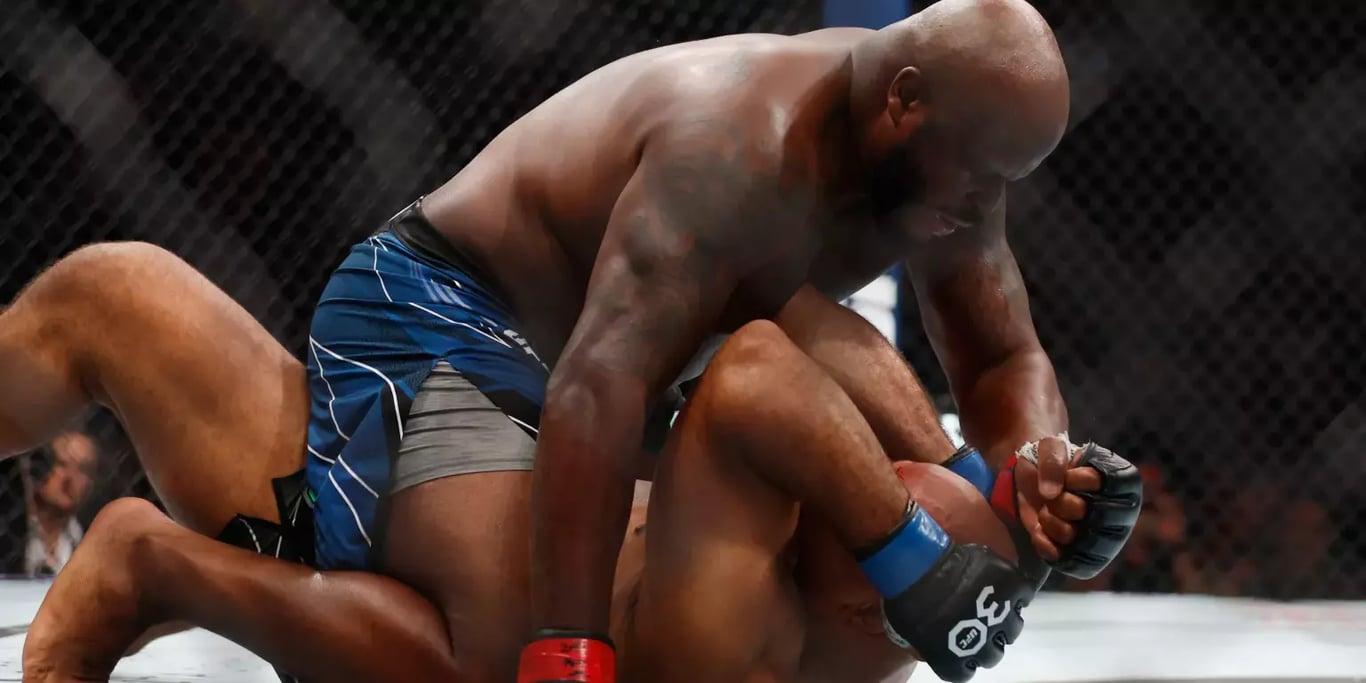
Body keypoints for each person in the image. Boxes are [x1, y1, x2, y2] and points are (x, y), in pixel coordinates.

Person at [7, 0, 1143, 679]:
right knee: (502, 654)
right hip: (459, 315)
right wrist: (569, 651)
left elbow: (1000, 360)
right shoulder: (739, 151)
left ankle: (943, 502)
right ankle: (156, 566)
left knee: (819, 330)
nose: (989, 204)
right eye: (982, 174)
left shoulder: (949, 165)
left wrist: (1038, 473)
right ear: (905, 101)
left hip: (647, 350)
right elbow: (601, 385)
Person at [31, 320, 1034, 683]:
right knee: (108, 294)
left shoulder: (743, 630)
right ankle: (173, 579)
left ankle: (160, 570)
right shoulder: (874, 604)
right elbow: (789, 313)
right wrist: (970, 474)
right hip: (432, 444)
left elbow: (758, 367)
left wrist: (903, 539)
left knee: (482, 656)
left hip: (410, 588)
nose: (816, 500)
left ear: (870, 599)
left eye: (850, 521)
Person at [23, 431, 98, 576]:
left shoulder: (87, 543)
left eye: (82, 469)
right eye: (62, 464)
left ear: (90, 485)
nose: (70, 477)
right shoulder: (16, 531)